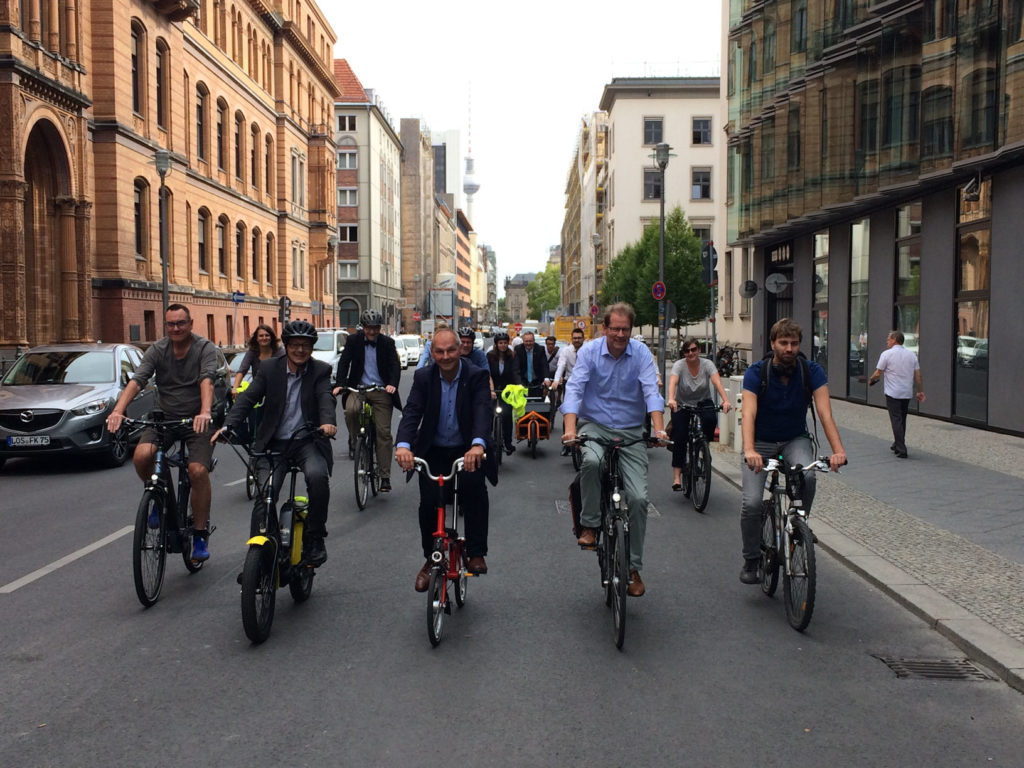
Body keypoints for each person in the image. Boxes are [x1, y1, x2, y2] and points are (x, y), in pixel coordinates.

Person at [561, 303, 667, 597]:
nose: (620, 334)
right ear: (604, 328)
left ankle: (632, 568)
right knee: (592, 462)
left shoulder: (642, 353)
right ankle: (590, 525)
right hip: (595, 425)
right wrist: (570, 429)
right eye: (615, 328)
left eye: (625, 329)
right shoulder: (590, 352)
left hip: (632, 431)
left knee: (638, 498)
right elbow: (575, 389)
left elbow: (651, 392)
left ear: (631, 330)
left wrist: (658, 429)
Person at [213, 320, 337, 566]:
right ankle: (259, 556)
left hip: (307, 441)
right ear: (287, 346)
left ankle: (314, 539)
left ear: (311, 348)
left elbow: (325, 399)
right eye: (294, 345)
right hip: (273, 444)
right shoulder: (269, 369)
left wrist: (327, 423)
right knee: (265, 494)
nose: (300, 350)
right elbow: (248, 399)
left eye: (305, 345)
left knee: (317, 477)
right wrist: (228, 426)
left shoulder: (320, 371)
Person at [739, 317, 847, 584]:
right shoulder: (756, 372)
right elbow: (749, 413)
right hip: (761, 442)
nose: (789, 348)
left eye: (794, 343)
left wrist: (838, 451)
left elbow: (824, 413)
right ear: (773, 343)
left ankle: (799, 526)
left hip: (794, 439)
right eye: (784, 343)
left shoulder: (811, 372)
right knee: (752, 503)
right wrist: (750, 449)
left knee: (808, 476)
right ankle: (751, 559)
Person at [106, 304, 218, 561]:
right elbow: (138, 380)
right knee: (142, 456)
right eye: (171, 324)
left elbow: (207, 380)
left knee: (197, 471)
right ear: (165, 326)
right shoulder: (158, 349)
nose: (176, 328)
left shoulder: (204, 348)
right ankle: (158, 496)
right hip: (164, 417)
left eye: (181, 323)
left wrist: (204, 411)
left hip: (196, 419)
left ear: (191, 324)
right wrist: (118, 411)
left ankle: (200, 535)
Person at [395, 328, 497, 591]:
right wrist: (404, 445)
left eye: (451, 350)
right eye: (439, 351)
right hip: (434, 450)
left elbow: (482, 411)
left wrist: (477, 445)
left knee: (473, 489)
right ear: (432, 353)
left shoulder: (476, 375)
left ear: (460, 349)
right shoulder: (423, 377)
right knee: (428, 504)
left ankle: (475, 552)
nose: (446, 356)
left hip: (467, 449)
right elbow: (412, 412)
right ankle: (431, 559)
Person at [333, 309, 402, 490]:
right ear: (362, 327)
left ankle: (385, 476)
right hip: (358, 388)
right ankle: (356, 442)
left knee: (383, 433)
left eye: (375, 328)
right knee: (352, 411)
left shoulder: (387, 343)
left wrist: (392, 384)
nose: (372, 332)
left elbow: (395, 366)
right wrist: (340, 384)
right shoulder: (353, 340)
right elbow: (344, 362)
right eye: (368, 328)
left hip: (380, 390)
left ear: (379, 328)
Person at [666, 336, 733, 491]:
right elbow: (673, 382)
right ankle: (677, 477)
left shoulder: (707, 364)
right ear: (684, 353)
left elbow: (717, 382)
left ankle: (703, 446)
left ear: (699, 350)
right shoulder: (679, 366)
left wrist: (725, 400)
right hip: (682, 404)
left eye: (694, 349)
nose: (691, 353)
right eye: (687, 351)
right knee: (680, 437)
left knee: (710, 420)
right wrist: (671, 399)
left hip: (703, 401)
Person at [868, 330, 925, 459]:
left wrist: (871, 380)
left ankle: (901, 448)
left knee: (896, 419)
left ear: (894, 339)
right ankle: (897, 443)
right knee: (901, 418)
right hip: (906, 393)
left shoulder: (887, 354)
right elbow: (918, 376)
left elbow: (878, 372)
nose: (887, 341)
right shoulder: (912, 355)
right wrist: (920, 391)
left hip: (893, 392)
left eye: (888, 339)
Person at [551, 327, 585, 454]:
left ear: (583, 339)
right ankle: (567, 445)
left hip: (586, 384)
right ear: (571, 339)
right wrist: (556, 380)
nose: (577, 340)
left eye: (579, 338)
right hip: (570, 383)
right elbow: (561, 366)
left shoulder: (588, 350)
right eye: (574, 338)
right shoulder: (566, 351)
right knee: (569, 412)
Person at [486, 330, 521, 455]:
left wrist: (519, 385)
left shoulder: (512, 356)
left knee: (507, 415)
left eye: (505, 343)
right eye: (500, 343)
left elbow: (515, 371)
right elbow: (487, 373)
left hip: (507, 390)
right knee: (489, 415)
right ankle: (487, 440)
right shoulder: (490, 356)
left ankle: (507, 442)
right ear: (496, 344)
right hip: (493, 390)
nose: (503, 345)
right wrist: (490, 389)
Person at [231, 324, 285, 395]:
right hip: (258, 390)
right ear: (256, 338)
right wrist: (235, 388)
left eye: (267, 335)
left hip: (277, 390)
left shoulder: (279, 351)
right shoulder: (252, 352)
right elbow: (242, 370)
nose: (264, 338)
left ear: (271, 337)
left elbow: (286, 370)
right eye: (261, 336)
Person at [514, 331, 550, 397]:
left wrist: (546, 378)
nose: (528, 343)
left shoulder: (540, 349)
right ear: (523, 341)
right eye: (526, 341)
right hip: (523, 382)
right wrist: (519, 383)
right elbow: (516, 368)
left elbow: (544, 365)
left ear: (534, 341)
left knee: (538, 404)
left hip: (537, 382)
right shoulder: (518, 349)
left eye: (530, 341)